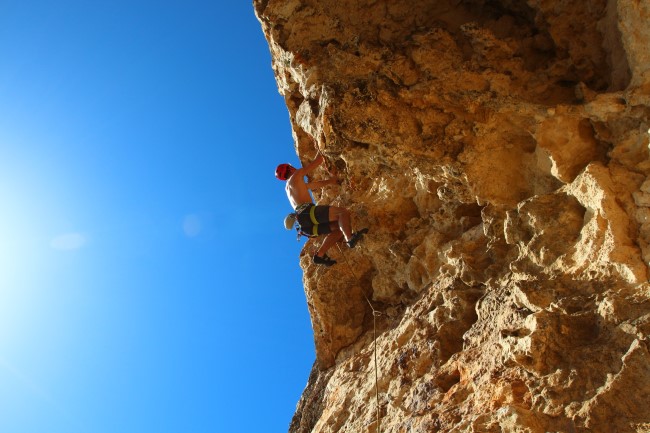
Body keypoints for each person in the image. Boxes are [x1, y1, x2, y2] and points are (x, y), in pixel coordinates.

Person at [276, 153, 367, 266]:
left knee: (338, 229)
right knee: (342, 212)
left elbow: (312, 186)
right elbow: (317, 161)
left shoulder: (289, 187)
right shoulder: (297, 175)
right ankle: (350, 238)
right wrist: (321, 150)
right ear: (289, 167)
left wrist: (331, 181)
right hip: (308, 212)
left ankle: (320, 255)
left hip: (304, 224)